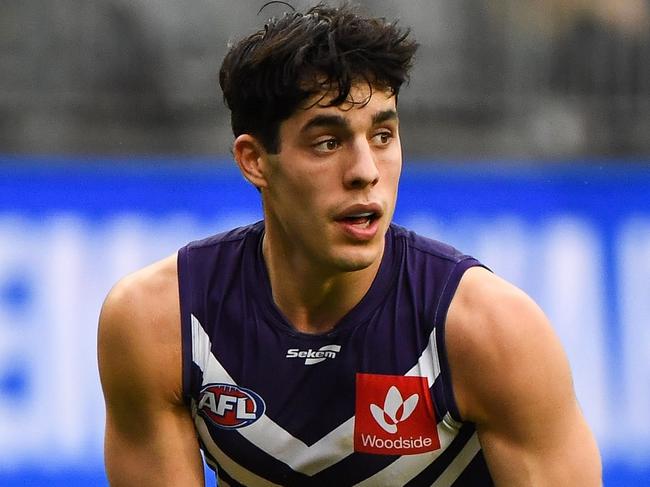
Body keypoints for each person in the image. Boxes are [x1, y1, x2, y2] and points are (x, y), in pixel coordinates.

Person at [98, 3, 602, 486]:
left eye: (383, 135)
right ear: (254, 161)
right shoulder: (161, 322)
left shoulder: (489, 331)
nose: (365, 172)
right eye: (327, 142)